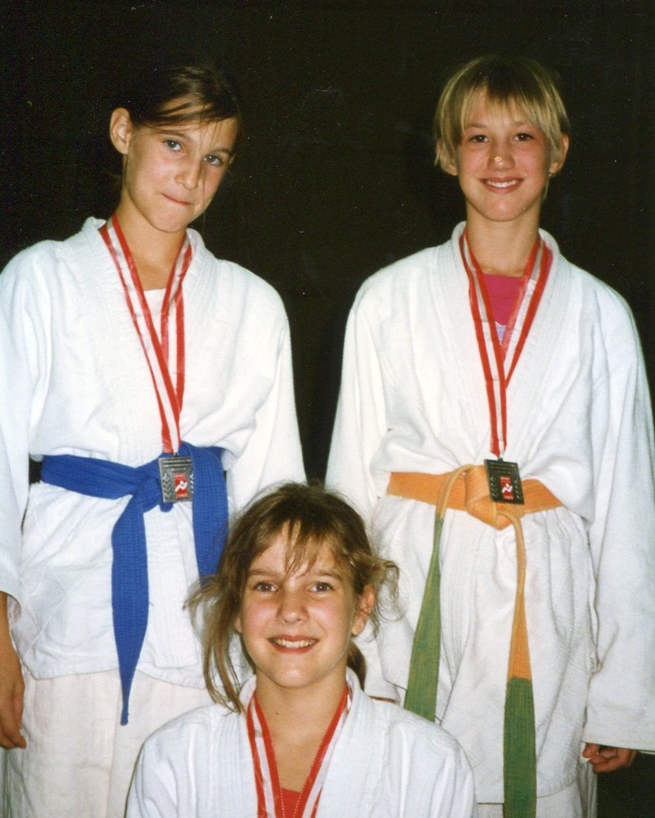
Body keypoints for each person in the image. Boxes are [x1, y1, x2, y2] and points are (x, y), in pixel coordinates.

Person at [326, 55, 655, 817]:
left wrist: (623, 692)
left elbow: (627, 510)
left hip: (546, 619)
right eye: (476, 138)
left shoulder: (600, 315)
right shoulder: (387, 299)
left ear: (559, 151)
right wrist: (350, 649)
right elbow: (347, 488)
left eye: (522, 137)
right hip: (418, 599)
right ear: (446, 154)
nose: (499, 159)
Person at [0, 63, 305, 818]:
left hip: (205, 622)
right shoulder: (40, 279)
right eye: (173, 143)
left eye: (214, 158)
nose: (191, 175)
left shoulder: (252, 304)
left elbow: (276, 494)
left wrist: (275, 640)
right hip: (67, 611)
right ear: (121, 132)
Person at [126, 481, 477, 817]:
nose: (290, 609)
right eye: (265, 585)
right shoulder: (173, 758)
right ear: (235, 608)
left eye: (320, 586)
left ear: (362, 607)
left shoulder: (431, 765)